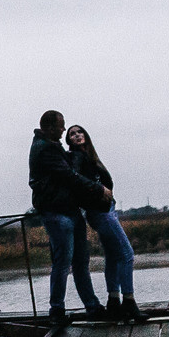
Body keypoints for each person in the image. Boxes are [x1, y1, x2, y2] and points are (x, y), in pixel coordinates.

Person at [27, 109, 106, 323]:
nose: (64, 130)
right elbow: (69, 176)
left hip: (70, 211)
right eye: (61, 126)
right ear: (50, 127)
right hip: (57, 213)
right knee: (63, 262)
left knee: (81, 261)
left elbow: (71, 172)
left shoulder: (52, 146)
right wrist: (99, 190)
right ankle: (57, 311)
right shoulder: (44, 149)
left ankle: (92, 306)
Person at [65, 124, 142, 323]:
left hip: (106, 210)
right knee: (127, 255)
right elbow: (76, 182)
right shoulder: (76, 157)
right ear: (69, 141)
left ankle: (114, 301)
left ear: (86, 135)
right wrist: (99, 190)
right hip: (100, 212)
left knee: (113, 256)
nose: (76, 135)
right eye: (72, 134)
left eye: (79, 132)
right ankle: (129, 302)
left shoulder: (89, 157)